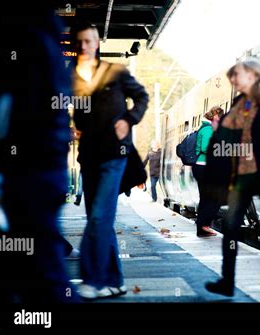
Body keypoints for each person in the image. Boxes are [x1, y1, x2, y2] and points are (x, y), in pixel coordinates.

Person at [0, 6, 79, 303]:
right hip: (37, 169)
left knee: (40, 274)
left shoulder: (26, 37)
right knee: (37, 271)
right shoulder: (41, 35)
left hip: (28, 171)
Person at [204, 58, 260, 297]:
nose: (234, 80)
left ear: (254, 76)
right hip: (242, 176)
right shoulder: (238, 104)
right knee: (230, 225)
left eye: (239, 75)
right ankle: (227, 280)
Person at [72, 22, 149, 299]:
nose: (84, 46)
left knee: (99, 218)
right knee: (99, 218)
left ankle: (93, 280)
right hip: (89, 156)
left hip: (116, 155)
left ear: (97, 44)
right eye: (79, 42)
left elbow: (141, 96)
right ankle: (115, 280)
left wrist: (129, 120)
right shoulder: (71, 78)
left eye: (89, 41)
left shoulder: (115, 72)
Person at [192, 107, 224, 237]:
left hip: (203, 167)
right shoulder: (207, 129)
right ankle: (203, 225)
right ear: (216, 116)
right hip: (204, 167)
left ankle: (202, 227)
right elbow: (206, 147)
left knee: (206, 198)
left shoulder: (206, 128)